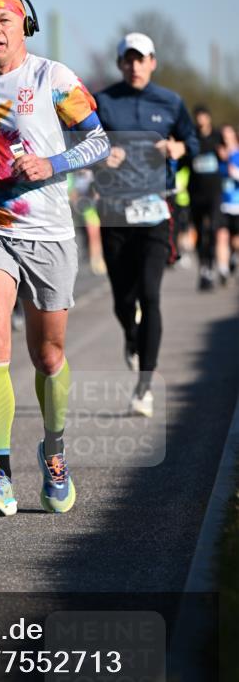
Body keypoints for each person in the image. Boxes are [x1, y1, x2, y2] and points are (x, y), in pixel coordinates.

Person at [0, 0, 110, 518]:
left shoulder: (52, 77)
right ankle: (0, 475)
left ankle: (54, 454)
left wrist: (53, 164)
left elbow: (99, 141)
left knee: (48, 355)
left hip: (51, 232)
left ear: (24, 26)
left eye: (4, 20)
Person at [93, 32, 198, 416]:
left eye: (142, 59)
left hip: (156, 211)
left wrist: (178, 148)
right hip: (115, 213)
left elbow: (192, 140)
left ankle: (144, 387)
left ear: (153, 61)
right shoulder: (103, 102)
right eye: (128, 59)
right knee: (123, 300)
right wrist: (101, 156)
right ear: (120, 63)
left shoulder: (170, 102)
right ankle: (132, 337)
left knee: (150, 295)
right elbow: (82, 146)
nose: (135, 65)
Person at [188, 105, 224, 291]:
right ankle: (203, 268)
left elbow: (229, 157)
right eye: (198, 116)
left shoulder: (218, 136)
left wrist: (223, 155)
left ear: (208, 118)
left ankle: (211, 265)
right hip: (195, 192)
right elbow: (184, 161)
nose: (201, 120)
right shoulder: (191, 136)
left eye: (204, 116)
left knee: (214, 229)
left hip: (214, 192)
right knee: (200, 232)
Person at [217, 123, 239, 284]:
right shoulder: (218, 154)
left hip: (237, 204)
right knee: (222, 236)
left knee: (236, 241)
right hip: (222, 203)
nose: (226, 138)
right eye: (223, 135)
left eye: (229, 134)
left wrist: (234, 172)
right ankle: (223, 270)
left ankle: (233, 256)